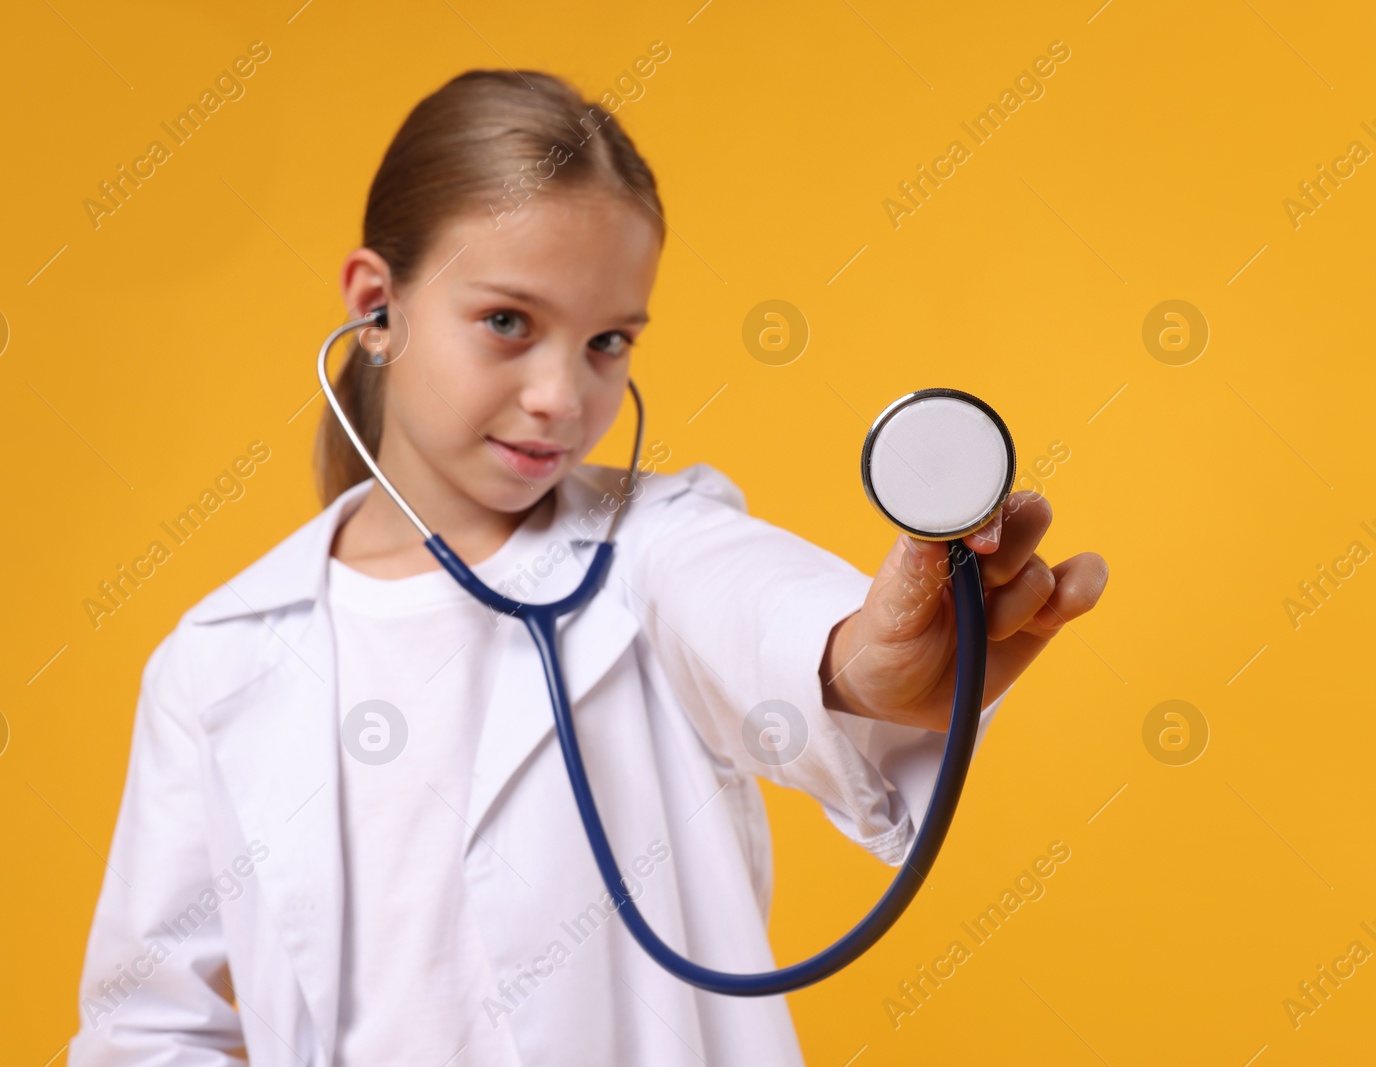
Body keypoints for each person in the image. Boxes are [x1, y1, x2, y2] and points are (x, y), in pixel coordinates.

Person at [67, 69, 1108, 1067]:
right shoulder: (219, 661)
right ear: (377, 305)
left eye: (608, 340)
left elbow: (755, 608)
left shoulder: (657, 545)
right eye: (508, 323)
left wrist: (852, 658)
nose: (564, 395)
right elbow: (147, 1026)